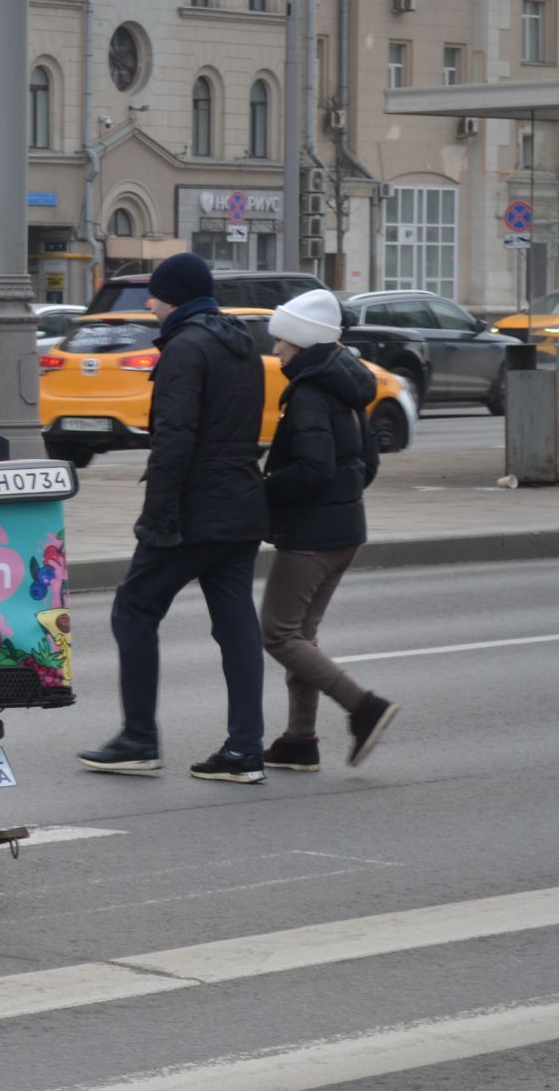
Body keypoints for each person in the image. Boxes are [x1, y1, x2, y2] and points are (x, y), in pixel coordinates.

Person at [79, 252, 270, 783]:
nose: (150, 303)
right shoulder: (241, 344)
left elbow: (175, 439)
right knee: (235, 625)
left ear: (173, 297)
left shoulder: (185, 348)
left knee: (133, 607)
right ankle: (244, 749)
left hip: (195, 506)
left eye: (155, 295)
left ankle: (138, 738)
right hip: (240, 501)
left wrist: (158, 516)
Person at [258, 289, 399, 770]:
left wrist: (264, 488)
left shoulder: (311, 392)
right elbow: (368, 461)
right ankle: (300, 741)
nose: (276, 351)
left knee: (277, 634)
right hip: (345, 529)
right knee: (302, 637)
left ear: (300, 341)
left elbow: (313, 469)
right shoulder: (345, 385)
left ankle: (364, 708)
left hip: (311, 537)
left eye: (282, 342)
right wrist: (344, 499)